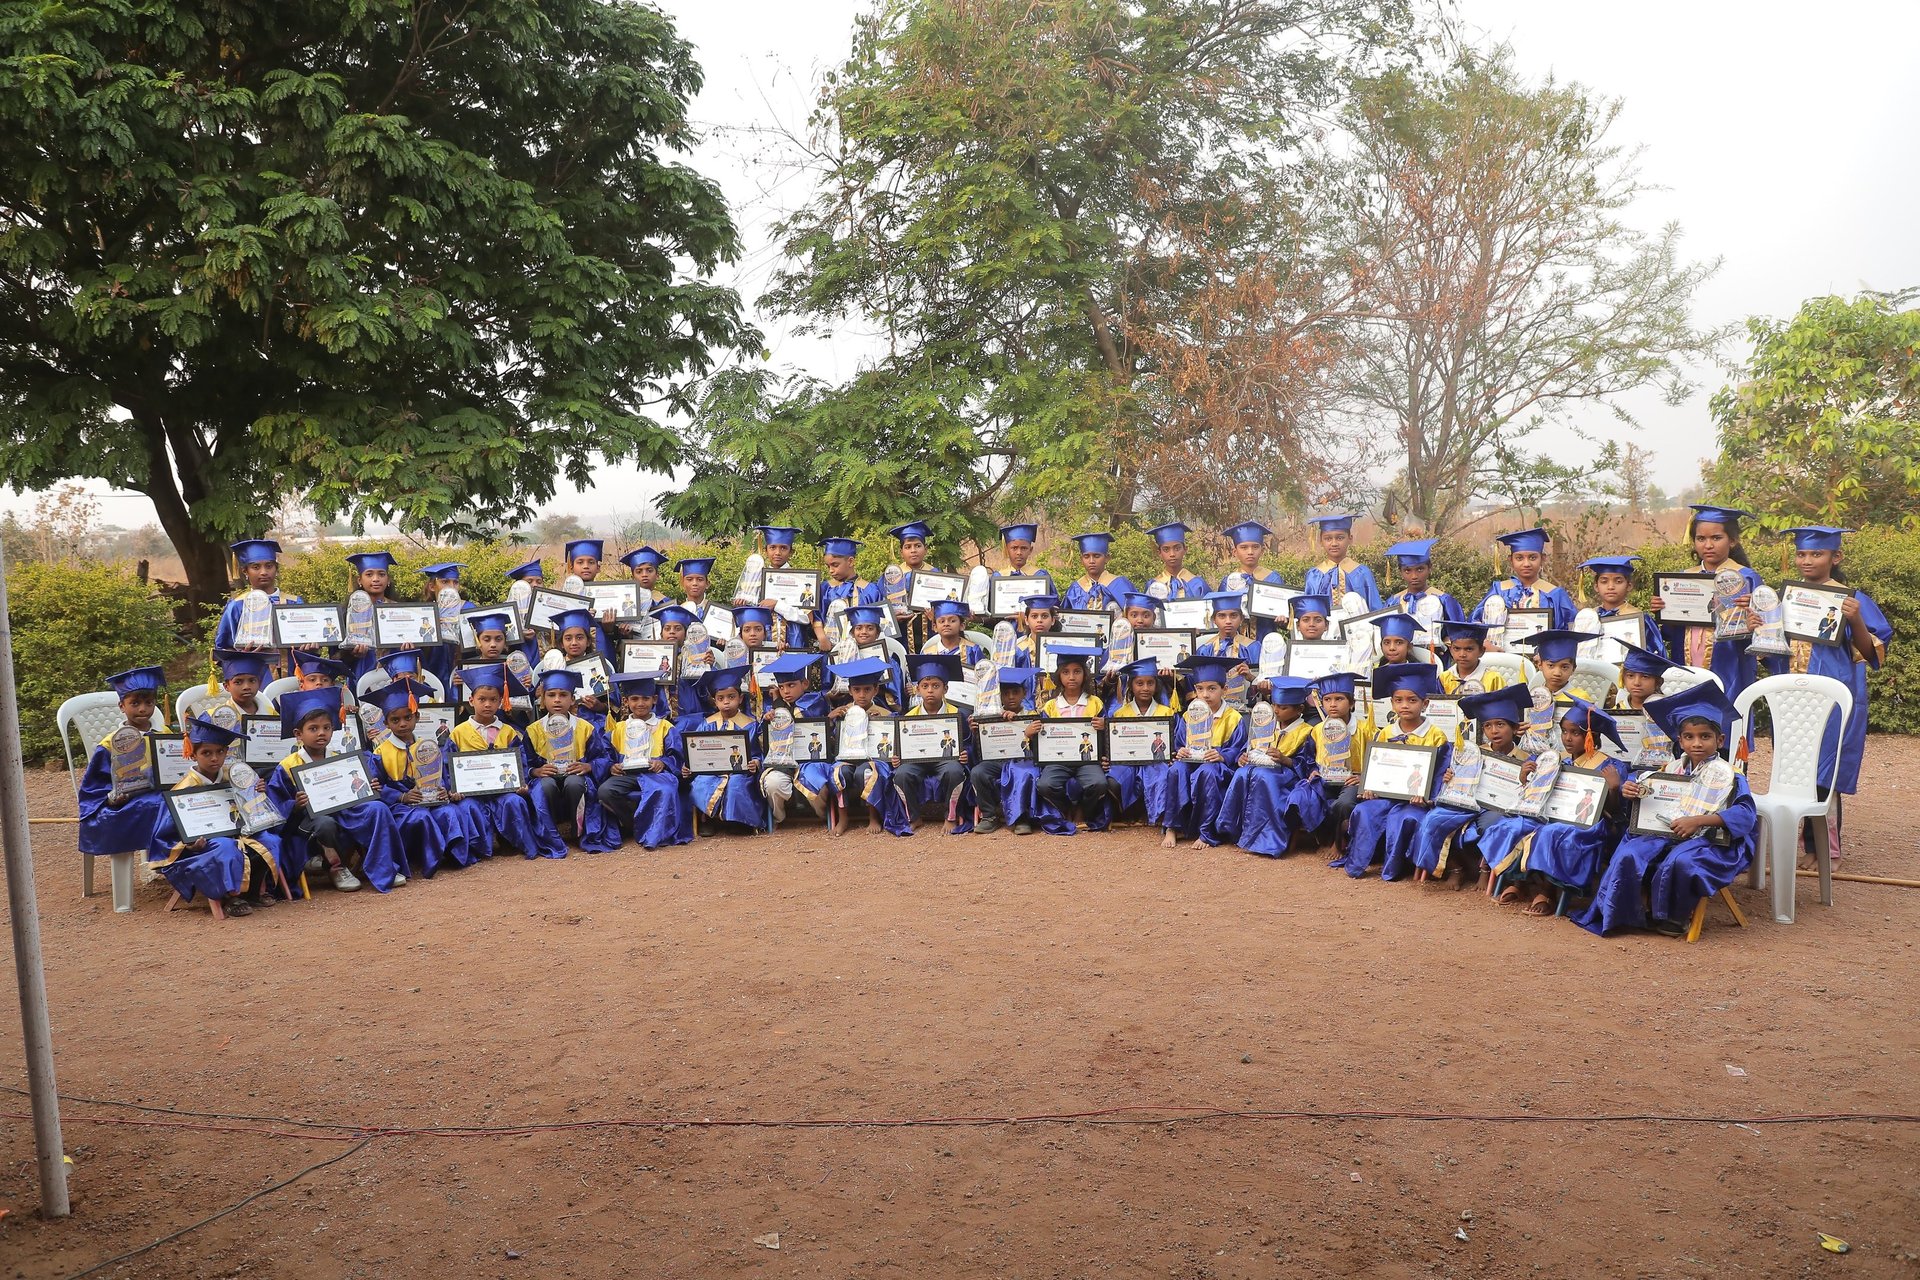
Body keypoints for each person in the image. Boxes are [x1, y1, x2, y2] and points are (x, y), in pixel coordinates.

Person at [1573, 681, 1757, 937]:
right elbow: (1647, 805)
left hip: (1712, 841)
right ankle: (1623, 912)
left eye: (1705, 737)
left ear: (1720, 739)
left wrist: (1700, 820)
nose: (1697, 744)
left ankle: (1673, 916)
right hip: (1666, 834)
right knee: (1630, 852)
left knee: (1681, 860)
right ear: (1679, 740)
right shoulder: (1669, 771)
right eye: (1689, 737)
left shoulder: (1730, 775)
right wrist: (1632, 793)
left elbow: (1745, 816)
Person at [1772, 526, 1892, 845]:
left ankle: (1825, 847)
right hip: (1792, 694)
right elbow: (1772, 649)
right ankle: (1799, 841)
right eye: (1801, 554)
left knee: (1827, 768)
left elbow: (1871, 654)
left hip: (1832, 695)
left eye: (1817, 553)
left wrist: (1855, 620)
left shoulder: (1852, 600)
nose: (1807, 560)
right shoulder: (1786, 598)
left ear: (1835, 556)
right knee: (1796, 767)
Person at [1490, 698, 1629, 915]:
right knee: (1514, 825)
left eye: (1575, 733)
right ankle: (1518, 882)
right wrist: (1526, 776)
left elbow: (1616, 812)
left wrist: (1613, 788)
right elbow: (1535, 793)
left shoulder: (1609, 766)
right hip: (1550, 815)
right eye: (1564, 732)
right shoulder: (1554, 759)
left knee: (1550, 833)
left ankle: (1546, 891)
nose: (1567, 738)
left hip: (1588, 825)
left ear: (1591, 736)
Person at [267, 687, 404, 892]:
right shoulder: (287, 766)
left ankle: (382, 866)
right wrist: (294, 805)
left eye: (327, 727)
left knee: (377, 808)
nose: (321, 733)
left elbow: (355, 790)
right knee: (326, 823)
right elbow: (277, 807)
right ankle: (336, 867)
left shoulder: (341, 758)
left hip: (345, 811)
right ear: (298, 734)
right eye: (313, 729)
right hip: (310, 820)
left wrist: (370, 788)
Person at [147, 717, 285, 919]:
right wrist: (189, 845)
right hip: (204, 846)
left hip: (239, 833)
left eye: (220, 752)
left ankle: (254, 891)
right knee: (226, 847)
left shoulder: (234, 776)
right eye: (206, 753)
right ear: (192, 754)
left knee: (271, 840)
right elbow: (166, 835)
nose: (214, 758)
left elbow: (252, 809)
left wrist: (257, 792)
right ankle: (231, 897)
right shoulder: (184, 790)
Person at [1407, 685, 1535, 888]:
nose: (1494, 731)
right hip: (1468, 803)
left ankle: (1484, 868)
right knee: (1434, 819)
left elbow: (1530, 799)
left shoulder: (1527, 760)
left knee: (1490, 826)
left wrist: (1523, 780)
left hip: (1500, 808)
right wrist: (1450, 777)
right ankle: (1455, 868)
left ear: (1514, 727)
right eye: (1487, 726)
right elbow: (1456, 782)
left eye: (1500, 724)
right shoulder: (1472, 753)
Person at [1336, 662, 1450, 879]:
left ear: (1425, 704)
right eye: (1398, 700)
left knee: (1405, 818)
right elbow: (1375, 768)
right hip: (1386, 796)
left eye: (1412, 700)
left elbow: (1438, 774)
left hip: (1415, 801)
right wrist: (1369, 788)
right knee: (1364, 811)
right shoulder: (1385, 732)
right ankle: (1360, 862)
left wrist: (1427, 797)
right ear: (1391, 703)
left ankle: (1394, 868)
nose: (1405, 705)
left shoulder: (1436, 736)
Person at [365, 678, 482, 876]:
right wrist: (401, 797)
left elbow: (441, 776)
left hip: (430, 800)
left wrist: (443, 789)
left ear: (417, 717)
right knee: (421, 816)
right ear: (386, 723)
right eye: (395, 720)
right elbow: (376, 787)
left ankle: (455, 856)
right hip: (400, 807)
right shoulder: (380, 752)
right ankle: (427, 860)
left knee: (449, 813)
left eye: (407, 717)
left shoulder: (429, 747)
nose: (402, 724)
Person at [447, 664, 565, 858]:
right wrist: (453, 789)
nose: (487, 704)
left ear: (501, 702)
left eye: (493, 700)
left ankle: (513, 842)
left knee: (514, 801)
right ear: (471, 700)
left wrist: (521, 783)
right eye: (482, 699)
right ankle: (480, 850)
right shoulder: (458, 733)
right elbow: (448, 768)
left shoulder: (509, 732)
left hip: (503, 792)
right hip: (472, 794)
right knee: (468, 807)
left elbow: (521, 762)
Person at [1650, 504, 1764, 699]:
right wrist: (1663, 611)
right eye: (1701, 538)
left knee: (1727, 714)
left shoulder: (1746, 577)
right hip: (1686, 659)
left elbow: (1763, 631)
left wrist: (1754, 615)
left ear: (1733, 540)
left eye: (1716, 538)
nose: (1708, 545)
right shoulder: (1683, 578)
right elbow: (1671, 633)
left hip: (1730, 663)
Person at [78, 666, 172, 882]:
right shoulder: (111, 744)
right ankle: (161, 861)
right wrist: (111, 799)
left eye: (149, 702)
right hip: (126, 804)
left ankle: (174, 862)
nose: (143, 709)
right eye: (135, 703)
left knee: (178, 804)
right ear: (122, 706)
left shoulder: (164, 735)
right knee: (162, 807)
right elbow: (94, 788)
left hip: (160, 795)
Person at [1206, 676, 1315, 857]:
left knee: (1264, 777)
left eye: (1283, 707)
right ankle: (1234, 830)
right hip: (1261, 769)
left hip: (1287, 777)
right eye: (1274, 705)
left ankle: (1267, 839)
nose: (1276, 711)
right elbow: (1249, 749)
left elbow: (1307, 765)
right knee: (1242, 772)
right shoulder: (1266, 725)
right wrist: (1243, 757)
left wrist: (1284, 759)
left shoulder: (1306, 732)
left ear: (1300, 709)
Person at [522, 670, 619, 852]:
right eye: (551, 695)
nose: (557, 700)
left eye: (563, 695)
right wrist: (535, 771)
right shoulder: (533, 730)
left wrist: (589, 766)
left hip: (576, 776)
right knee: (545, 786)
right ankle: (552, 834)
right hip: (547, 777)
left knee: (575, 783)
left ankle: (578, 831)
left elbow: (603, 758)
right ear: (543, 699)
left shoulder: (585, 728)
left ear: (573, 699)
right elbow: (525, 762)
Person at [596, 673, 688, 851]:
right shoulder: (618, 728)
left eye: (645, 698)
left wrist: (662, 762)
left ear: (654, 699)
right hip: (627, 774)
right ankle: (634, 824)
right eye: (634, 699)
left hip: (655, 774)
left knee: (666, 789)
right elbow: (605, 754)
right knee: (605, 791)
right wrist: (611, 766)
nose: (640, 703)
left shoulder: (664, 726)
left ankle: (654, 831)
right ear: (626, 701)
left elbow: (676, 755)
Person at [1030, 647, 1113, 833]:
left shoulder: (1095, 703)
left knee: (1099, 783)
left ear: (1085, 674)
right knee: (1045, 784)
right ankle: (1065, 808)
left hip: (1087, 759)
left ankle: (1083, 810)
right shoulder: (1050, 706)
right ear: (1058, 676)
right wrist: (1034, 731)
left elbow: (1108, 736)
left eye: (1077, 671)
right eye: (1066, 672)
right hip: (1058, 760)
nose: (1072, 677)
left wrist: (1104, 726)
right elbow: (1043, 739)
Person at [823, 657, 908, 836]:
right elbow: (829, 743)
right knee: (838, 772)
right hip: (846, 759)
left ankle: (873, 816)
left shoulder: (885, 714)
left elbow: (891, 743)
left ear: (875, 690)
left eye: (867, 689)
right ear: (850, 690)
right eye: (857, 690)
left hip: (873, 760)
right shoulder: (842, 712)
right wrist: (830, 720)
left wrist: (879, 723)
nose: (862, 695)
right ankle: (843, 817)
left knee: (866, 773)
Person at [1165, 657, 1243, 848]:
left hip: (1218, 768)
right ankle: (1172, 827)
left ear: (1224, 689)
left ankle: (1206, 831)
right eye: (1200, 688)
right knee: (1176, 769)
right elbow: (1179, 744)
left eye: (1212, 688)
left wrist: (1222, 755)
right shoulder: (1188, 715)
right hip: (1191, 762)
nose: (1205, 694)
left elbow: (1238, 748)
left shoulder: (1233, 718)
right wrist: (1181, 751)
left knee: (1206, 772)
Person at [890, 653, 973, 833]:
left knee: (954, 771)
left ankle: (950, 816)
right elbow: (901, 748)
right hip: (917, 761)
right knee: (901, 774)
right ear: (917, 689)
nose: (930, 690)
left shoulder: (958, 715)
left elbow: (967, 744)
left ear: (945, 689)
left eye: (936, 686)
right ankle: (914, 817)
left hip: (945, 760)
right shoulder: (908, 719)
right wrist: (897, 758)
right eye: (925, 686)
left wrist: (966, 753)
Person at [1103, 658, 1180, 838]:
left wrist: (1172, 754)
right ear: (1131, 685)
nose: (1145, 688)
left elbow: (1173, 742)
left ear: (1156, 685)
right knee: (1114, 777)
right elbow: (1114, 744)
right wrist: (1109, 758)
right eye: (1139, 683)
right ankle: (1127, 814)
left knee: (1162, 774)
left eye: (1150, 683)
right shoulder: (1120, 713)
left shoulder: (1166, 712)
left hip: (1155, 762)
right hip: (1129, 762)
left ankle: (1157, 815)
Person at [758, 653, 832, 826]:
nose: (786, 691)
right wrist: (767, 719)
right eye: (781, 687)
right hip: (783, 762)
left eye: (791, 685)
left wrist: (777, 704)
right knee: (772, 783)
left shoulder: (814, 700)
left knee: (817, 779)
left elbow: (799, 716)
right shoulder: (776, 707)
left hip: (811, 760)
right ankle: (780, 817)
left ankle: (821, 813)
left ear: (804, 684)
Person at [1289, 672, 1362, 847]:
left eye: (1339, 699)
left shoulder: (1365, 729)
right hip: (1325, 778)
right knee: (1299, 794)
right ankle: (1307, 837)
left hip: (1353, 780)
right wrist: (1313, 770)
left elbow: (1376, 760)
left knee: (1343, 804)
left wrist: (1363, 777)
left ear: (1351, 703)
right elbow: (1310, 758)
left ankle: (1339, 840)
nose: (1333, 704)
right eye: (1327, 700)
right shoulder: (1318, 730)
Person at [970, 668, 1042, 835]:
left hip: (1024, 761)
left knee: (1023, 773)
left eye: (1015, 692)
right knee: (978, 772)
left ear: (1024, 693)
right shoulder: (990, 715)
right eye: (1006, 693)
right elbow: (981, 750)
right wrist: (976, 732)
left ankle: (1022, 818)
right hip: (998, 760)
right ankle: (989, 816)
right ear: (999, 695)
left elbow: (1041, 749)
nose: (1011, 697)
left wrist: (1026, 731)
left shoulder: (1033, 716)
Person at [211, 539, 303, 664]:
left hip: (292, 675)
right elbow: (222, 649)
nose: (264, 572)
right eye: (256, 567)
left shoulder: (293, 602)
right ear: (245, 571)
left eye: (269, 566)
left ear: (276, 569)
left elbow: (306, 642)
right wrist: (242, 655)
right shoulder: (237, 605)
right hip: (251, 674)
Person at [1475, 527, 1576, 629]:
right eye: (1519, 558)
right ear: (1511, 560)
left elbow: (1571, 629)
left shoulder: (1555, 594)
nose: (1526, 564)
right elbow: (1476, 622)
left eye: (1533, 558)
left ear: (1543, 558)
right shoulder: (1499, 590)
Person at [537, 608, 612, 727]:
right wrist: (541, 693)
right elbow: (540, 702)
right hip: (558, 723)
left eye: (580, 637)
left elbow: (613, 703)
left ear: (588, 642)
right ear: (561, 643)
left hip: (593, 722)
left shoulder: (600, 665)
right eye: (568, 638)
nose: (574, 643)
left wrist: (599, 706)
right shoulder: (554, 665)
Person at [1217, 521, 1289, 642]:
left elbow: (1283, 615)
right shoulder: (1229, 582)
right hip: (1236, 644)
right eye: (1244, 547)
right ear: (1235, 552)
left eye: (1255, 547)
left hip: (1267, 642)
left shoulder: (1273, 578)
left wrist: (1283, 620)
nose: (1250, 552)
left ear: (1262, 550)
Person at [1580, 555, 1664, 656]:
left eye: (1618, 581)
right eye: (1604, 581)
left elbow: (1655, 656)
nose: (1611, 587)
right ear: (1596, 586)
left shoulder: (1641, 619)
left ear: (1629, 586)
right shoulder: (1588, 618)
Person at [1196, 591, 1265, 707]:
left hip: (1246, 706)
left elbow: (1262, 684)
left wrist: (1251, 677)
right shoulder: (1205, 649)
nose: (1228, 621)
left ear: (1241, 618)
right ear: (1214, 619)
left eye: (1233, 615)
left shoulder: (1253, 647)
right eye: (1222, 616)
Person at [1302, 514, 1382, 610]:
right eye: (1328, 539)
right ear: (1321, 541)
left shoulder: (1362, 573)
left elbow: (1375, 609)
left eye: (1340, 538)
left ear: (1350, 539)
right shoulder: (1314, 575)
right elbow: (1308, 610)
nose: (1334, 543)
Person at [342, 550, 399, 685]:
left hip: (393, 672)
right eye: (369, 574)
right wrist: (351, 653)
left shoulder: (398, 610)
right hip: (360, 671)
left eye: (381, 574)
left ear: (388, 579)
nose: (375, 579)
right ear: (359, 580)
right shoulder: (349, 611)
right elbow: (337, 654)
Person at [1384, 539, 1464, 623]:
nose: (1414, 576)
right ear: (1400, 571)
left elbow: (1459, 633)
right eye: (1407, 570)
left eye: (1420, 569)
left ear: (1429, 568)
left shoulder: (1444, 601)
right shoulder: (1393, 602)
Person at [1064, 532, 1135, 612]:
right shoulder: (1075, 588)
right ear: (1081, 560)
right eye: (1086, 556)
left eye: (1096, 556)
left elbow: (1134, 613)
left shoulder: (1120, 584)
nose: (1091, 561)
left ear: (1107, 558)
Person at [1436, 621, 1507, 699]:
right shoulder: (1444, 679)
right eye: (1457, 648)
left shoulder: (1494, 679)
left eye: (1469, 649)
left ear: (1481, 651)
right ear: (1450, 650)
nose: (1462, 654)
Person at [1143, 522, 1209, 601]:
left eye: (1177, 548)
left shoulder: (1198, 584)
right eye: (1166, 549)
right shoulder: (1153, 586)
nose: (1172, 554)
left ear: (1185, 549)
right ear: (1159, 553)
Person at [205, 649, 276, 722]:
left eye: (252, 681)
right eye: (238, 682)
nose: (246, 687)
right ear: (226, 686)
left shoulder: (271, 714)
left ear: (259, 684)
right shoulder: (215, 718)